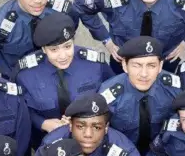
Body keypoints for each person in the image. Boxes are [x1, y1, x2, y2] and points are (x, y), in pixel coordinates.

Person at [98, 36, 181, 156]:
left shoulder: (174, 88)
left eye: (151, 65)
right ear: (124, 65)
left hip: (163, 152)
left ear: (160, 65)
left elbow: (177, 125)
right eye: (136, 65)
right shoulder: (108, 94)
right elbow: (102, 135)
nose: (144, 74)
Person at [15, 12, 114, 141]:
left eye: (67, 46)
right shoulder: (25, 73)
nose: (63, 56)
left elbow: (112, 93)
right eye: (54, 50)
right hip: (48, 138)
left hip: (92, 135)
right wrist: (43, 123)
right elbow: (19, 107)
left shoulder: (94, 63)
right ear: (44, 49)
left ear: (73, 41)